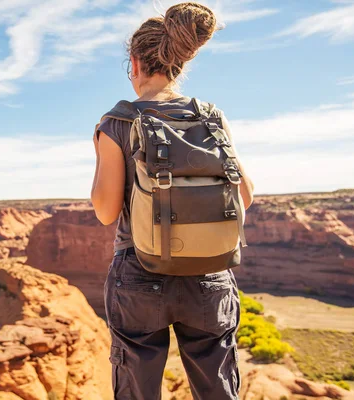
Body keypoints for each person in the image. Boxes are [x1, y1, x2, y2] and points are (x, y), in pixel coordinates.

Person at [90, 2, 254, 400]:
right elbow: (245, 196)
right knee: (218, 388)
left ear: (134, 63)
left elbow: (106, 211)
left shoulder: (118, 121)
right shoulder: (212, 116)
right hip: (210, 273)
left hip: (139, 272)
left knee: (137, 389)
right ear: (179, 63)